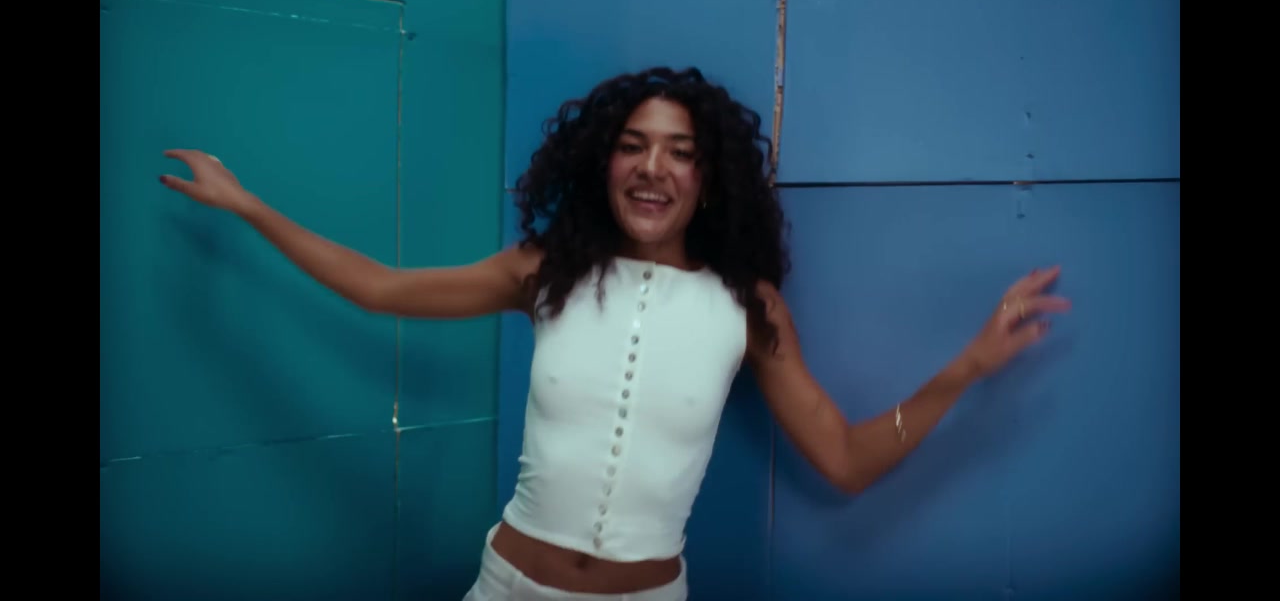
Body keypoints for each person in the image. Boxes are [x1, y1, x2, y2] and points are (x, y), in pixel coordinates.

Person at [159, 66, 1069, 601]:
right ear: (604, 163)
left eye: (680, 151)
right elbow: (381, 287)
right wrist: (249, 206)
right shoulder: (544, 272)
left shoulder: (747, 308)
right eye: (633, 145)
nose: (652, 167)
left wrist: (967, 367)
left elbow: (843, 457)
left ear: (708, 181)